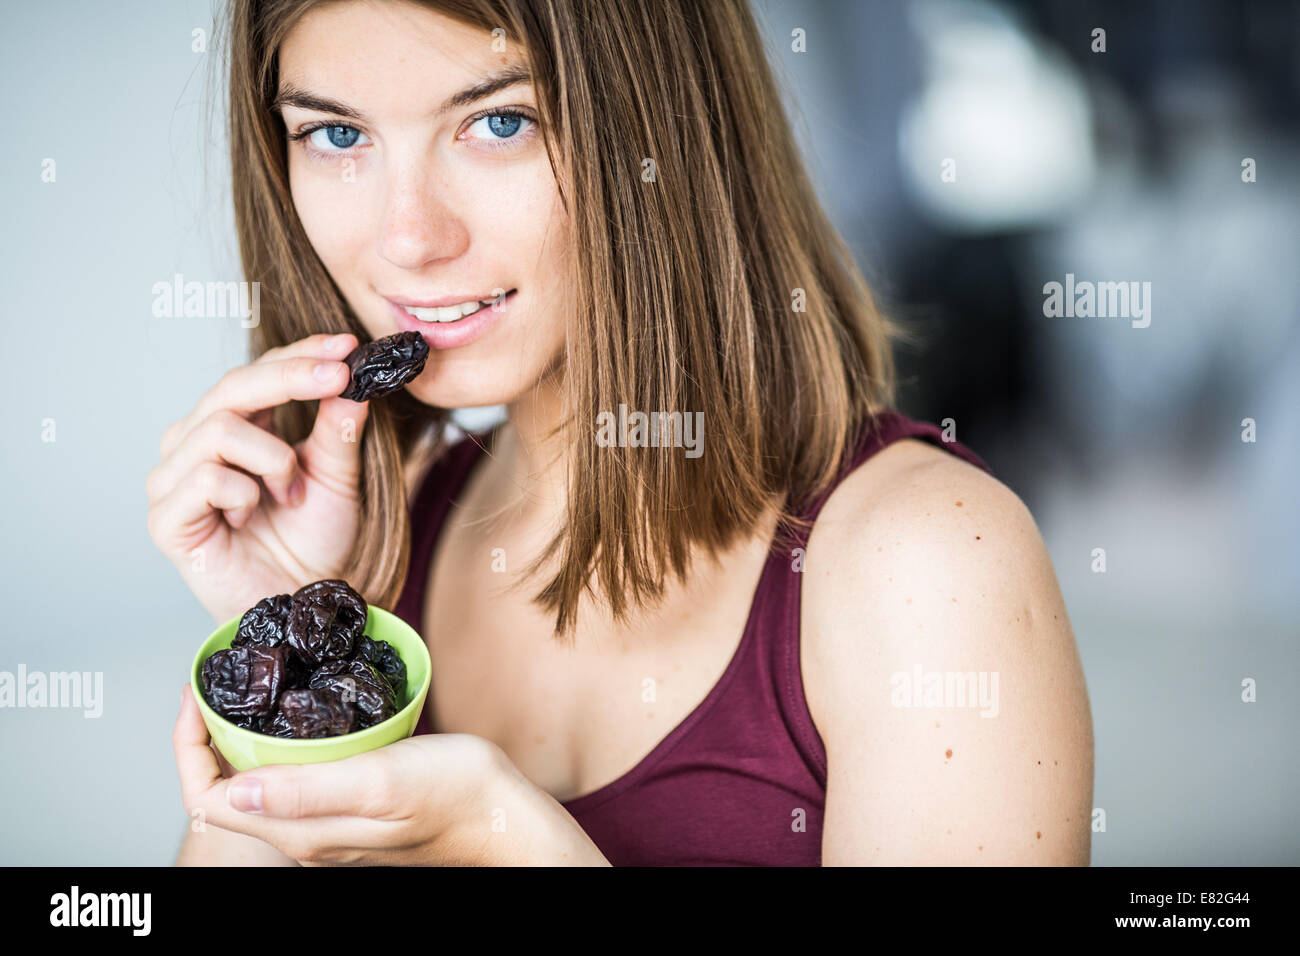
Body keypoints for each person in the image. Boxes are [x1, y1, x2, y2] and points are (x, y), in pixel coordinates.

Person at [147, 0, 1093, 866]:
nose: (408, 238)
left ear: (662, 133)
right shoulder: (371, 568)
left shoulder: (929, 568)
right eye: (337, 133)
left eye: (499, 122)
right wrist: (287, 654)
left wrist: (514, 844)